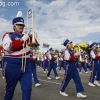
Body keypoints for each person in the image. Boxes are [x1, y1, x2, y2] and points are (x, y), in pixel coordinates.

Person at [2, 11, 32, 100]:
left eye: (22, 25)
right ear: (14, 26)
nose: (21, 26)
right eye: (19, 24)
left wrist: (31, 35)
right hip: (12, 66)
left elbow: (35, 45)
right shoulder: (8, 35)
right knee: (9, 90)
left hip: (26, 66)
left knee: (27, 89)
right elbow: (9, 48)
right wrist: (24, 38)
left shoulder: (26, 36)